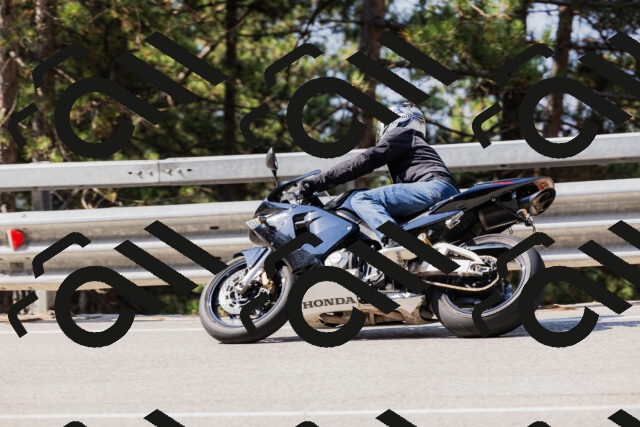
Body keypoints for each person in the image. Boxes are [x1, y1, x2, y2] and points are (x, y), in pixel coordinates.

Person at [299, 103, 460, 243]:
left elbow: (367, 160)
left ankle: (395, 239)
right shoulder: (412, 141)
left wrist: (317, 182)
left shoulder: (402, 133)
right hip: (443, 190)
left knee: (361, 198)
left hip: (433, 187)